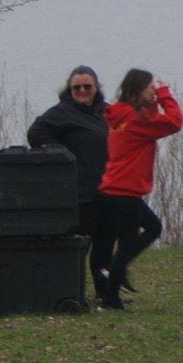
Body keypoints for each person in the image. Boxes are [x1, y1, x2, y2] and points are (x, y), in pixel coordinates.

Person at [26, 64, 117, 302]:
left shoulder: (107, 112)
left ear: (96, 88)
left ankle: (105, 293)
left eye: (87, 86)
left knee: (105, 246)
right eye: (77, 87)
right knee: (78, 246)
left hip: (110, 188)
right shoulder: (62, 112)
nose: (82, 90)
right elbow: (36, 133)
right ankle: (68, 293)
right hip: (82, 191)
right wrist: (64, 157)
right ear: (70, 89)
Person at [99, 68, 183, 310]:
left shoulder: (122, 115)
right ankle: (111, 298)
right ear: (138, 90)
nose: (153, 92)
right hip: (124, 191)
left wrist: (153, 102)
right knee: (126, 245)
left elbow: (151, 122)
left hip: (116, 190)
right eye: (150, 88)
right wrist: (165, 94)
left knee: (153, 227)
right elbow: (174, 122)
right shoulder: (137, 120)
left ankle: (118, 269)